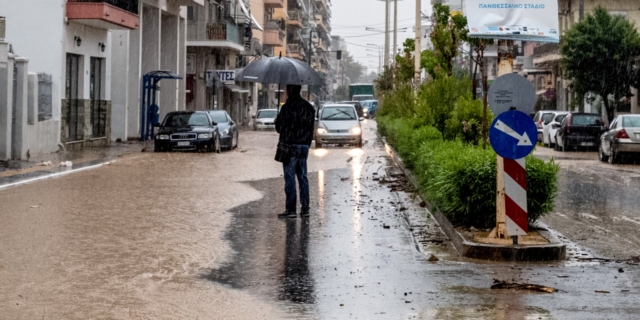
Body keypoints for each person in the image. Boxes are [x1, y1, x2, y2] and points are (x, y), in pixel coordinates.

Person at [275, 84, 316, 218]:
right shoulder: (309, 108)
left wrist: (277, 121)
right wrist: (306, 144)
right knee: (303, 177)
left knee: (290, 178)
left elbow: (280, 129)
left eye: (286, 90)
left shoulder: (287, 107)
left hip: (290, 147)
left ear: (289, 91)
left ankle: (291, 209)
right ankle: (305, 209)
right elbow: (311, 129)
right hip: (303, 146)